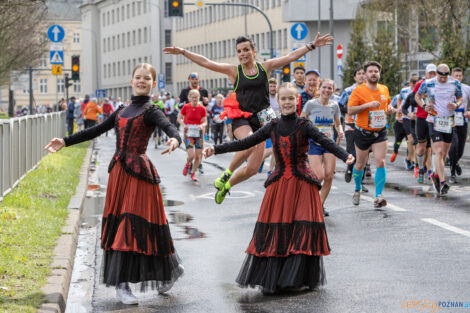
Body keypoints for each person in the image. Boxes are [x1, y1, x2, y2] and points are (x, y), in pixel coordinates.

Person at [44, 63, 184, 305]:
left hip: (140, 175)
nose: (142, 81)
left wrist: (175, 139)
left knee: (136, 225)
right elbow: (95, 130)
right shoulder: (121, 110)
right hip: (119, 174)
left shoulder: (152, 110)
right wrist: (65, 141)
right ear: (131, 81)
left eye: (147, 78)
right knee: (123, 224)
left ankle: (131, 282)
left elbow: (170, 128)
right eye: (138, 77)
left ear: (152, 82)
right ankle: (158, 274)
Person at [203, 83, 354, 294]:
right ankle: (274, 277)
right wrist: (216, 149)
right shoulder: (272, 125)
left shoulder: (304, 125)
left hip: (302, 183)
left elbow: (324, 141)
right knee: (277, 228)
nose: (287, 102)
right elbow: (246, 142)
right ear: (279, 102)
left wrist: (344, 155)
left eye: (291, 99)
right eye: (283, 99)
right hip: (280, 184)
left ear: (296, 101)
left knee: (300, 229)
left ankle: (294, 278)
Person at [164, 32, 333, 204]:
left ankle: (227, 186)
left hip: (262, 116)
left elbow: (290, 56)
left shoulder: (264, 67)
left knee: (252, 169)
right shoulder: (234, 71)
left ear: (254, 52)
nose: (243, 54)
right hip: (241, 116)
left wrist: (312, 45)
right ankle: (227, 172)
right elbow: (207, 62)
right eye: (239, 51)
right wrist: (184, 52)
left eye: (246, 50)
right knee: (250, 141)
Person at [347, 61, 392, 208]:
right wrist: (367, 105)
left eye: (376, 71)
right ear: (365, 74)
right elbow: (350, 110)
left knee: (380, 161)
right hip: (363, 132)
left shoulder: (384, 89)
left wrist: (391, 108)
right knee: (360, 164)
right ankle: (357, 189)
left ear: (379, 74)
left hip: (380, 132)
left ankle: (378, 196)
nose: (373, 73)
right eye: (370, 71)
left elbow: (387, 104)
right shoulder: (358, 91)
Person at [416, 64, 463, 194]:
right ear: (436, 73)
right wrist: (424, 105)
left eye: (445, 75)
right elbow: (417, 96)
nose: (443, 78)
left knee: (444, 154)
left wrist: (456, 104)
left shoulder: (455, 83)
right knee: (439, 151)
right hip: (433, 119)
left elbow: (460, 97)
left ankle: (436, 176)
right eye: (440, 75)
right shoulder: (428, 83)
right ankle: (443, 182)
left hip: (448, 120)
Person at [301, 79, 344, 216]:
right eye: (324, 87)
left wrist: (340, 130)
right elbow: (302, 121)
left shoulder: (334, 106)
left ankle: (319, 205)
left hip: (329, 144)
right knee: (318, 176)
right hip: (313, 144)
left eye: (329, 88)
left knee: (329, 175)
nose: (326, 90)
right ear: (319, 89)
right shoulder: (310, 104)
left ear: (333, 90)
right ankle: (307, 200)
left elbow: (338, 124)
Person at [339, 66, 365, 183]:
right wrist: (350, 110)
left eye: (363, 73)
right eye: (359, 73)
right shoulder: (348, 91)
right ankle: (350, 167)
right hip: (351, 125)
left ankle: (361, 177)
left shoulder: (370, 90)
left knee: (363, 153)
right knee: (351, 150)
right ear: (355, 77)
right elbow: (340, 105)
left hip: (365, 125)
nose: (361, 75)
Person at [414, 64, 437, 183]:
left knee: (433, 146)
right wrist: (423, 105)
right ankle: (420, 169)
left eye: (434, 72)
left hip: (434, 118)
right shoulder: (421, 84)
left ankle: (433, 171)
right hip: (422, 117)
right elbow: (416, 97)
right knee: (422, 147)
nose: (432, 75)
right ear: (426, 74)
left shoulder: (440, 84)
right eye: (430, 73)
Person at [178, 89, 207, 181]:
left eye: (196, 97)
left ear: (199, 97)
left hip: (198, 133)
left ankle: (193, 173)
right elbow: (179, 119)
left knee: (198, 156)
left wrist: (202, 125)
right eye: (193, 97)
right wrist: (184, 125)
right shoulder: (186, 107)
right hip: (188, 132)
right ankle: (188, 165)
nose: (195, 99)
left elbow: (205, 121)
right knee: (191, 155)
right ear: (189, 98)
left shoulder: (202, 108)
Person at [448, 67, 470, 183]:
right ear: (452, 76)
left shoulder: (467, 88)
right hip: (451, 121)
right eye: (456, 75)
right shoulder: (448, 88)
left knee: (460, 149)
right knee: (453, 145)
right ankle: (452, 173)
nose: (458, 78)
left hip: (463, 120)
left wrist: (469, 112)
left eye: (460, 76)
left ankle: (455, 162)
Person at [395, 76, 419, 172]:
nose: (413, 85)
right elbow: (399, 99)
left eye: (415, 83)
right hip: (407, 117)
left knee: (417, 140)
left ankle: (408, 158)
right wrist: (399, 108)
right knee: (411, 138)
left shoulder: (421, 91)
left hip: (418, 117)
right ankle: (412, 160)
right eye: (412, 83)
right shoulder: (404, 91)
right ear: (410, 83)